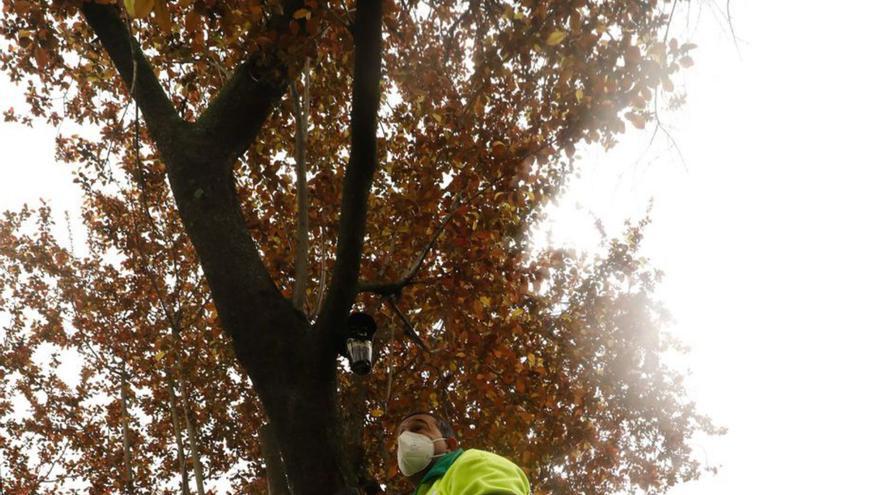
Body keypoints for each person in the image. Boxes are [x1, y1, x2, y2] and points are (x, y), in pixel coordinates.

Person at [395, 411, 530, 495]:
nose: (405, 439)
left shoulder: (472, 462)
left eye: (418, 428)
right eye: (401, 436)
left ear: (449, 445)